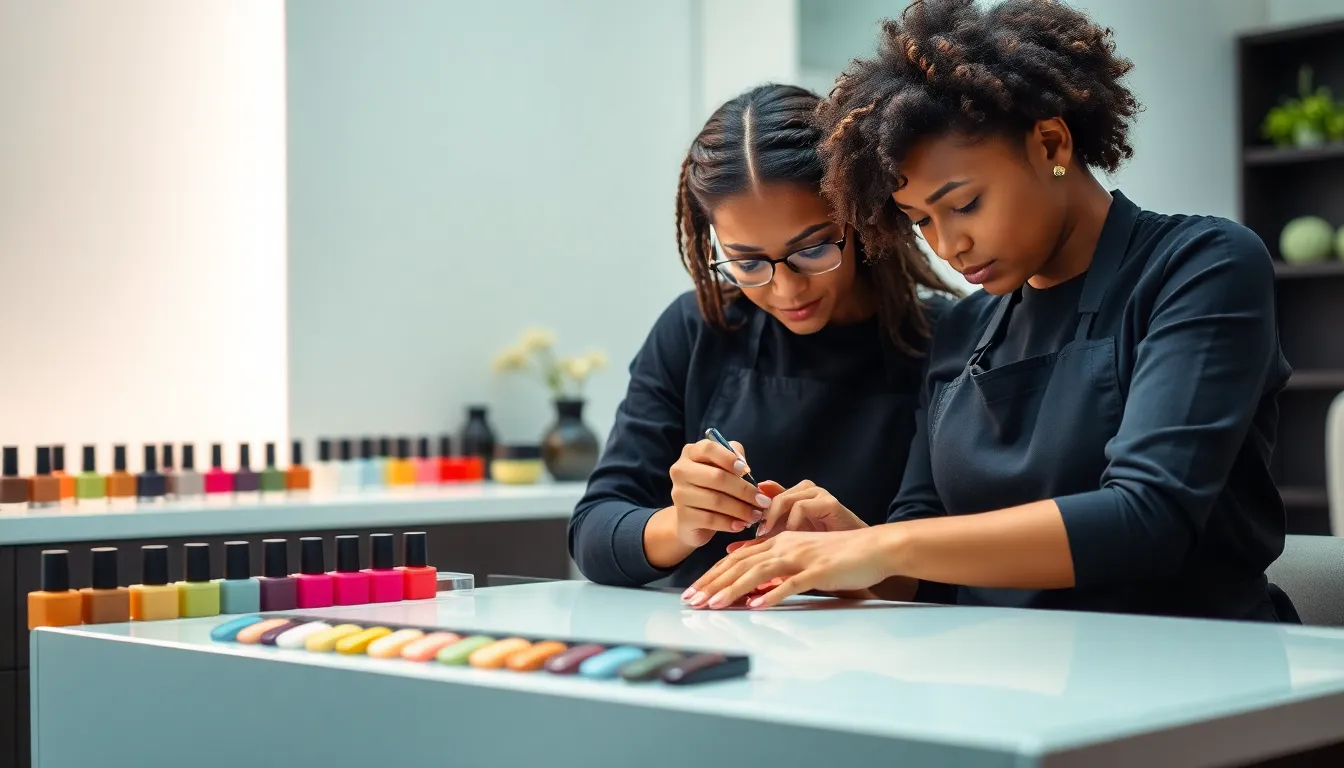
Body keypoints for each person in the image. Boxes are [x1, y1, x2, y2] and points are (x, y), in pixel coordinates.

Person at [684, 0, 1294, 623]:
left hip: (1193, 669)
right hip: (1000, 674)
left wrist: (883, 545)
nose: (949, 247)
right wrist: (842, 543)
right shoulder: (964, 328)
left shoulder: (1199, 266)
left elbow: (1148, 517)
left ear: (1051, 142)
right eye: (922, 221)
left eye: (966, 204)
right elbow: (934, 577)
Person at [568, 83, 956, 589]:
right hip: (708, 641)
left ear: (857, 218)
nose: (786, 288)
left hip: (873, 648)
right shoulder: (696, 329)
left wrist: (857, 551)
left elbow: (939, 573)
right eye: (747, 263)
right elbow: (592, 532)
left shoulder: (945, 339)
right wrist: (680, 525)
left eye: (813, 250)